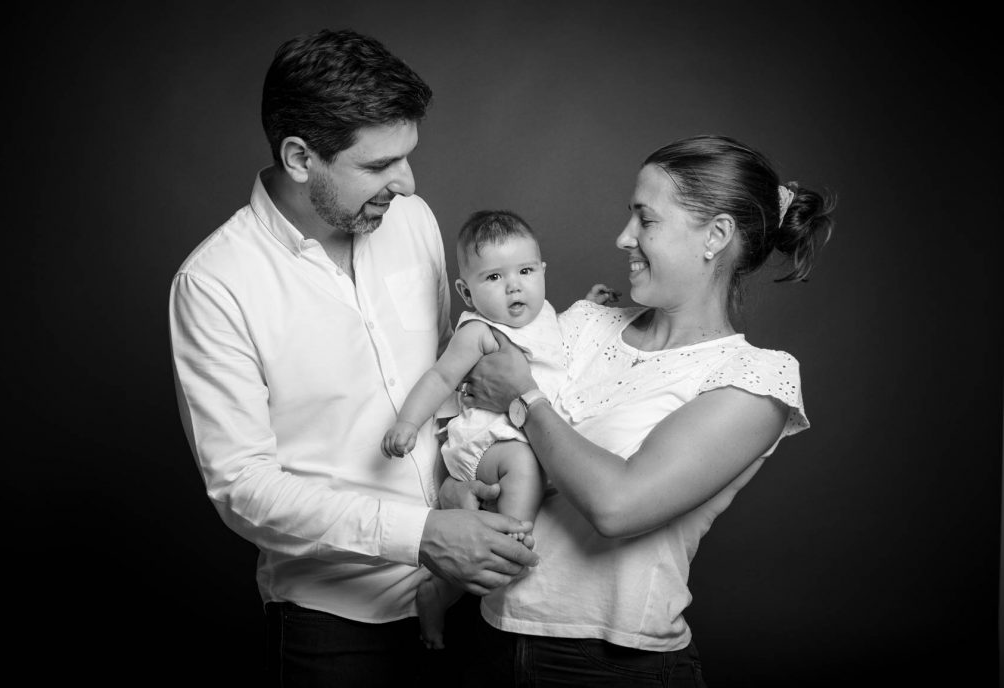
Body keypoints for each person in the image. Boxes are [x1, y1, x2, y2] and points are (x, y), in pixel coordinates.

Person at [168, 29, 540, 686]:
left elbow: (450, 377)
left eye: (407, 157)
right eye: (377, 166)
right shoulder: (215, 284)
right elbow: (242, 488)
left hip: (468, 598)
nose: (407, 182)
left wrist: (458, 476)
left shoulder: (414, 220)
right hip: (333, 630)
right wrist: (418, 532)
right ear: (300, 156)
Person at [446, 134, 835, 686]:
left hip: (611, 665)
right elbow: (475, 430)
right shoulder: (581, 323)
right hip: (485, 634)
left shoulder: (754, 379)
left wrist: (524, 397)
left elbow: (618, 506)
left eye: (645, 221)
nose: (623, 237)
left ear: (715, 236)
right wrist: (456, 493)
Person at [380, 209, 618, 649]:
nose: (514, 285)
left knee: (541, 468)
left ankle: (438, 593)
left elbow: (555, 339)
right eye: (493, 277)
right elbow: (440, 379)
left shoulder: (543, 314)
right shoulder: (479, 332)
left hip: (524, 432)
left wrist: (588, 306)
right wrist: (408, 423)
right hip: (486, 440)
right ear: (465, 291)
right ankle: (515, 539)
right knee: (525, 465)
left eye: (526, 271)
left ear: (542, 271)